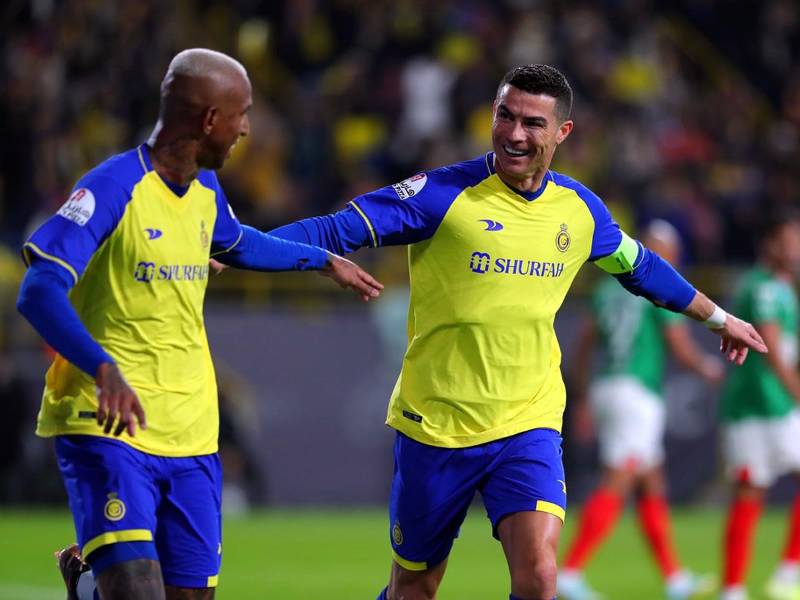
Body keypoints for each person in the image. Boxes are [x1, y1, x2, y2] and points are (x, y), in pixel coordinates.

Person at [268, 64, 767, 600]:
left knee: (540, 577)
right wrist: (241, 248)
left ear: (563, 132)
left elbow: (642, 268)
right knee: (415, 587)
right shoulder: (441, 194)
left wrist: (720, 319)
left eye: (532, 123)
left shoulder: (580, 211)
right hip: (437, 424)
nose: (514, 134)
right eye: (505, 116)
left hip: (528, 422)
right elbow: (336, 227)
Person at [16, 48, 383, 600]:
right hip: (106, 420)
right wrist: (101, 366)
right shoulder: (113, 187)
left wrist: (321, 260)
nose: (247, 130)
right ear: (211, 119)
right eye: (242, 114)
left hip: (191, 428)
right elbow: (38, 290)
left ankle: (88, 587)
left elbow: (237, 243)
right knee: (138, 591)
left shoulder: (206, 189)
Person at [557, 219, 723, 600]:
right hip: (636, 392)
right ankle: (570, 570)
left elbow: (583, 345)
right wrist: (706, 368)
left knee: (651, 481)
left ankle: (674, 578)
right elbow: (678, 343)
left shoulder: (606, 289)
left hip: (607, 385)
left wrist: (582, 395)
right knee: (619, 477)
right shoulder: (656, 285)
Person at [717, 211, 800, 600]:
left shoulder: (783, 288)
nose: (794, 248)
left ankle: (786, 573)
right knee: (749, 492)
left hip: (777, 405)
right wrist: (796, 390)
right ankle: (735, 588)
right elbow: (770, 348)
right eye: (787, 241)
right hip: (755, 406)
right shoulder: (763, 287)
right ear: (769, 245)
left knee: (751, 492)